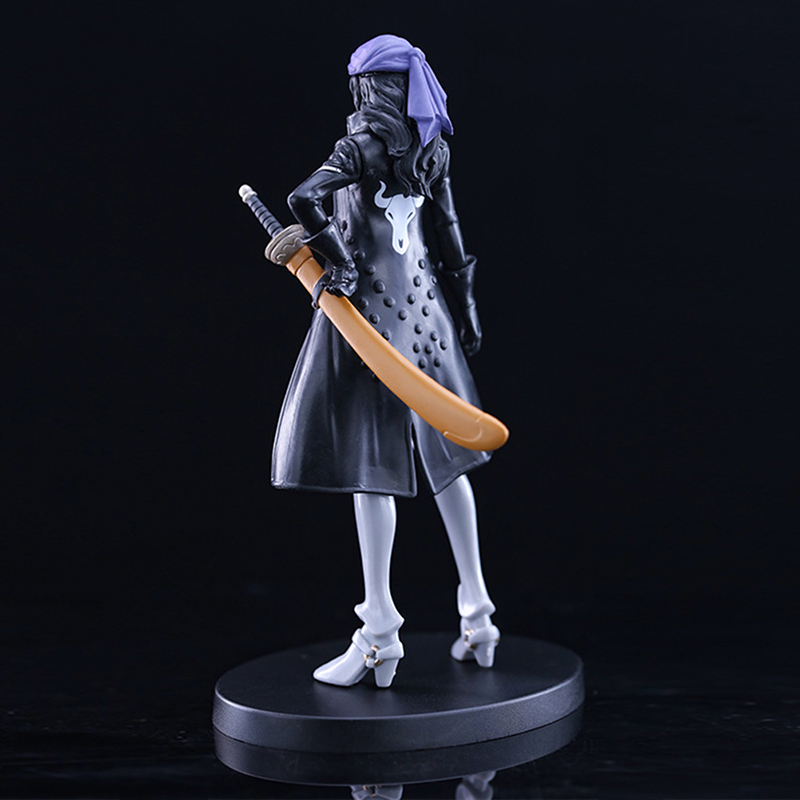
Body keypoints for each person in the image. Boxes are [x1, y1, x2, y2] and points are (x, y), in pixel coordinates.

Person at [273, 35, 499, 687]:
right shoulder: (433, 147)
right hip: (427, 312)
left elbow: (302, 199)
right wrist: (467, 307)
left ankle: (379, 632)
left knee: (370, 467)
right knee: (448, 459)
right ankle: (478, 613)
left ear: (371, 87)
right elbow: (448, 230)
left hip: (370, 319)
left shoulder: (360, 146)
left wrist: (338, 265)